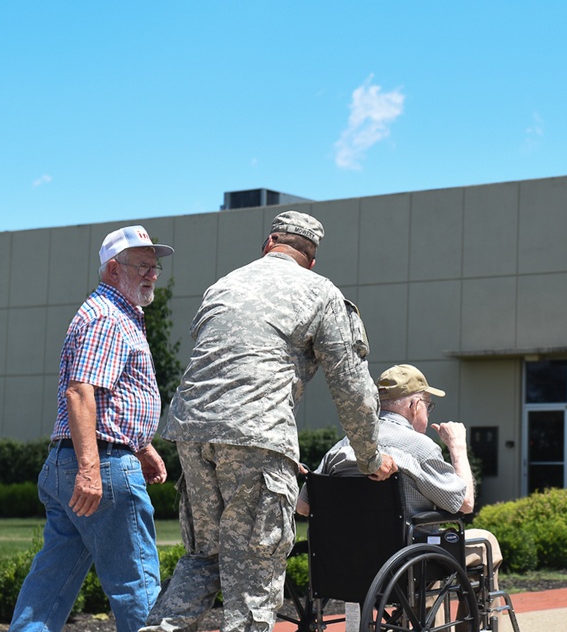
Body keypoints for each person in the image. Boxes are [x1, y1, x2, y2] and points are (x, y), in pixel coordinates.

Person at [143, 211, 396, 632]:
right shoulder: (320, 291)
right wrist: (370, 457)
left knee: (201, 560)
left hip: (190, 430)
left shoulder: (223, 285)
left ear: (269, 243)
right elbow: (351, 388)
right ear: (311, 260)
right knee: (254, 574)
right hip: (256, 432)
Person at [10, 225, 174, 632]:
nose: (152, 273)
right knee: (137, 584)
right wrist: (91, 468)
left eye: (155, 267)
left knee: (50, 585)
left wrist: (140, 445)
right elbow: (82, 392)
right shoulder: (108, 316)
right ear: (113, 269)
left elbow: (106, 399)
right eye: (142, 266)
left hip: (73, 461)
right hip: (99, 464)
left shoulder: (113, 314)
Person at [297, 363, 502, 629]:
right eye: (428, 406)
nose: (427, 413)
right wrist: (457, 448)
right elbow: (465, 503)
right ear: (415, 405)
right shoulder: (420, 446)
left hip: (345, 564)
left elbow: (303, 507)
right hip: (405, 562)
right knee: (486, 542)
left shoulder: (345, 445)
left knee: (425, 546)